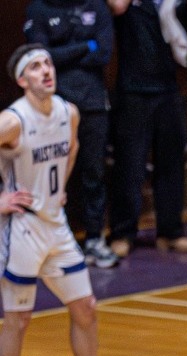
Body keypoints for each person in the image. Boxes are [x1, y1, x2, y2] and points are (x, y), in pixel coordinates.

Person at [1, 46, 139, 356]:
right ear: (21, 80)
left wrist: (58, 186)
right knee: (18, 319)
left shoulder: (68, 112)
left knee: (86, 308)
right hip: (22, 229)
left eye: (47, 63)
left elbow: (72, 148)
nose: (45, 70)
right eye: (35, 66)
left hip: (55, 226)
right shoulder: (12, 121)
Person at [23, 0, 118, 268]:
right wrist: (86, 46)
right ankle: (49, 243)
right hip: (52, 107)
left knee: (94, 174)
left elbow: (104, 54)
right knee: (49, 176)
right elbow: (41, 58)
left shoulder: (96, 6)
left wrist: (62, 53)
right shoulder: (38, 9)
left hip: (93, 104)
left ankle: (94, 240)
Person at [107, 0, 187, 259]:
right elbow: (116, 7)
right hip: (134, 90)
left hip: (169, 87)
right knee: (130, 166)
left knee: (172, 163)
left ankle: (170, 232)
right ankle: (122, 233)